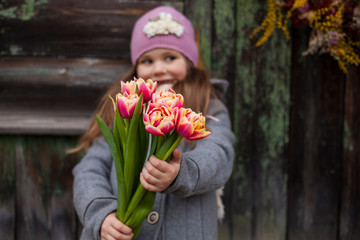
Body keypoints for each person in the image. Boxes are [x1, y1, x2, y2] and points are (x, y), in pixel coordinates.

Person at [72, 6, 235, 240]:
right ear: (136, 67)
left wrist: (182, 172)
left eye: (170, 57)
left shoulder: (208, 105)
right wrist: (101, 214)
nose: (158, 69)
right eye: (147, 60)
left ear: (189, 62)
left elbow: (219, 153)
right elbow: (89, 170)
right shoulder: (122, 107)